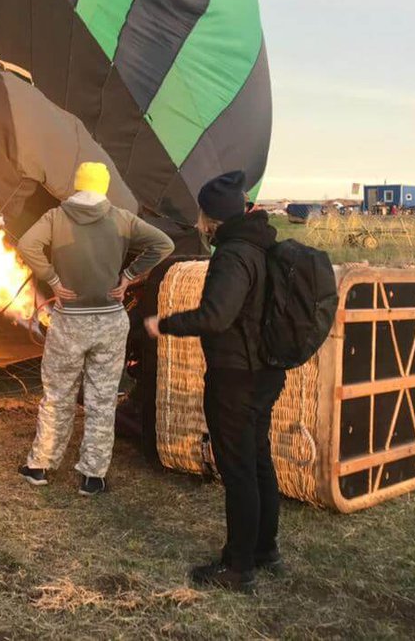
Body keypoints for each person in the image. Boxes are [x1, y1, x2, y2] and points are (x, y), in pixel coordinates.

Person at [144, 170, 283, 594]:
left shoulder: (233, 254)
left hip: (237, 375)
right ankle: (264, 549)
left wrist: (163, 324)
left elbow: (216, 316)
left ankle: (238, 566)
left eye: (202, 213)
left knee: (238, 468)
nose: (199, 221)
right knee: (258, 460)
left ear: (212, 218)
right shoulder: (262, 244)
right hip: (264, 370)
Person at [16, 162, 174, 495]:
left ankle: (40, 465)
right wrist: (130, 276)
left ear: (76, 186)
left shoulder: (55, 218)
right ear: (102, 187)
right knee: (102, 399)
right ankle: (93, 475)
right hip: (109, 320)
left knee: (57, 396)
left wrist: (53, 280)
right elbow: (163, 245)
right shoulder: (121, 219)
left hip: (70, 320)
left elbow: (27, 246)